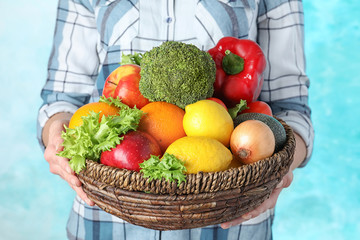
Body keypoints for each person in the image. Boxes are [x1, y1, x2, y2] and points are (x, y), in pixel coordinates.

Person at [38, 0, 314, 239]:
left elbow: (292, 109)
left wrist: (280, 170)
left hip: (232, 223)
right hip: (107, 220)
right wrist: (56, 134)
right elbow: (61, 99)